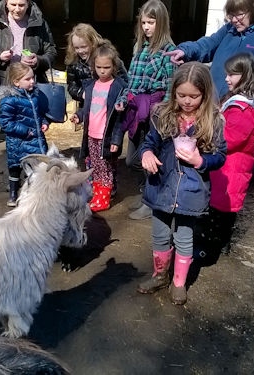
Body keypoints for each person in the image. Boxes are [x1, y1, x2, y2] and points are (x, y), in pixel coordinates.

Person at [136, 61, 227, 305]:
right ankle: (159, 275)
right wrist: (146, 154)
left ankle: (178, 282)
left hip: (191, 191)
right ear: (173, 91)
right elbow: (149, 143)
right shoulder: (163, 114)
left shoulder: (213, 121)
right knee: (160, 234)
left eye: (194, 96)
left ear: (205, 94)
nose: (187, 101)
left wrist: (200, 160)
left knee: (184, 237)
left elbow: (220, 156)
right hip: (162, 186)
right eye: (181, 95)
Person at [166, 0, 254, 141]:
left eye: (239, 15)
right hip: (211, 108)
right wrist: (185, 51)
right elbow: (207, 44)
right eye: (231, 15)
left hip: (239, 114)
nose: (234, 20)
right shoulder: (229, 30)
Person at [116, 0, 177, 221]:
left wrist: (164, 116)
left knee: (151, 158)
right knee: (132, 159)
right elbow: (131, 82)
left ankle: (151, 202)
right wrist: (123, 99)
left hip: (154, 112)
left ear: (161, 23)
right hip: (135, 111)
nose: (147, 27)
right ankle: (145, 193)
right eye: (143, 22)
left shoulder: (169, 52)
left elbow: (171, 88)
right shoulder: (139, 49)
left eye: (151, 22)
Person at [201, 52, 254, 253]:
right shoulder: (246, 101)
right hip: (233, 165)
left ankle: (214, 246)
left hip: (230, 167)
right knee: (222, 208)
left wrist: (207, 138)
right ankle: (218, 242)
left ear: (246, 75)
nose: (227, 79)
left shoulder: (241, 108)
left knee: (221, 209)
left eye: (232, 75)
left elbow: (230, 138)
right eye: (227, 74)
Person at [0, 0, 56, 134]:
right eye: (13, 5)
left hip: (32, 86)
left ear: (28, 4)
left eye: (21, 5)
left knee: (32, 131)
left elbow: (52, 52)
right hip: (4, 84)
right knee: (7, 129)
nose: (17, 9)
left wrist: (38, 60)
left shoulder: (39, 22)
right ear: (6, 3)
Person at [70, 41, 127, 212]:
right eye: (99, 67)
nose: (102, 71)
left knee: (105, 168)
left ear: (114, 66)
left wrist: (116, 140)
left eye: (107, 67)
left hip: (106, 137)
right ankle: (97, 194)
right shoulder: (91, 85)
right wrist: (78, 117)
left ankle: (103, 199)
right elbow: (87, 109)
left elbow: (119, 119)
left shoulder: (118, 87)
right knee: (93, 165)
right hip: (91, 135)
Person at [0, 62, 49, 207]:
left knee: (33, 169)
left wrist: (44, 122)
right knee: (15, 169)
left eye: (33, 78)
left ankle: (31, 195)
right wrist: (25, 131)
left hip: (35, 140)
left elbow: (40, 114)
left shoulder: (35, 96)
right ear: (16, 82)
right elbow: (5, 123)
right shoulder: (9, 100)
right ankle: (13, 194)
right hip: (18, 142)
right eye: (28, 79)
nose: (32, 81)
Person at [65, 23, 128, 109]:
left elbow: (124, 81)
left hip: (109, 105)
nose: (80, 51)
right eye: (77, 48)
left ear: (92, 42)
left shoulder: (107, 56)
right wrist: (82, 93)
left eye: (84, 47)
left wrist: (119, 98)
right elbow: (72, 86)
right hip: (87, 107)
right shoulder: (73, 62)